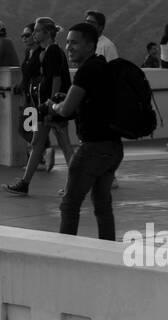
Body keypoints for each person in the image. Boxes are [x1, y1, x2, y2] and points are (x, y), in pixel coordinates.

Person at [42, 22, 123, 239]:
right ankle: (108, 251)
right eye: (67, 42)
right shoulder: (102, 66)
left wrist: (52, 105)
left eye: (75, 43)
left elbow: (66, 109)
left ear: (90, 46)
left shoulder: (86, 71)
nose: (69, 47)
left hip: (93, 148)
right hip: (113, 147)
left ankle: (65, 255)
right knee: (102, 205)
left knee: (69, 205)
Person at [3, 16, 76, 195]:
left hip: (51, 107)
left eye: (37, 30)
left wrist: (51, 105)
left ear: (46, 33)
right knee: (38, 143)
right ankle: (25, 183)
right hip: (45, 107)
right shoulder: (44, 52)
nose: (34, 33)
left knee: (63, 144)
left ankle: (75, 184)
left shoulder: (52, 52)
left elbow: (57, 79)